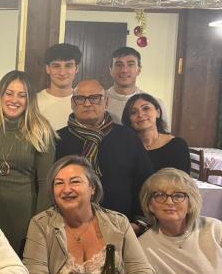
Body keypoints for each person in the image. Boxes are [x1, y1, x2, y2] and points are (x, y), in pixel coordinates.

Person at [23, 156, 153, 274]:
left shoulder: (119, 223)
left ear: (92, 188)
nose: (66, 189)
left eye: (75, 181)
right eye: (59, 183)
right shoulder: (41, 224)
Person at [0, 71, 56, 255]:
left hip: (23, 218)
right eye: (9, 93)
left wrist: (39, 226)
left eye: (22, 95)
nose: (14, 100)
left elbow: (45, 185)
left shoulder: (42, 132)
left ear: (29, 100)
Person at [56, 79, 154, 225]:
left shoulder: (128, 137)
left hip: (122, 225)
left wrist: (140, 222)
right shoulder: (57, 140)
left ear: (106, 102)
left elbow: (145, 182)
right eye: (80, 98)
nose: (87, 103)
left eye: (95, 98)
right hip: (68, 225)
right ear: (72, 103)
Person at [122, 93, 190, 173]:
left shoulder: (177, 145)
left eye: (146, 108)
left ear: (158, 113)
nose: (140, 115)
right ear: (129, 120)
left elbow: (182, 179)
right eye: (133, 112)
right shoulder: (125, 148)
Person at [106, 46, 169, 125]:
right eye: (119, 65)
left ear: (139, 70)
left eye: (130, 64)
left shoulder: (155, 104)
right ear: (110, 70)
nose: (124, 70)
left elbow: (164, 132)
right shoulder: (99, 102)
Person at [37, 43, 81, 131]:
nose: (62, 72)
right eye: (56, 66)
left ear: (76, 68)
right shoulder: (33, 102)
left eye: (68, 66)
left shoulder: (84, 102)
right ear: (48, 68)